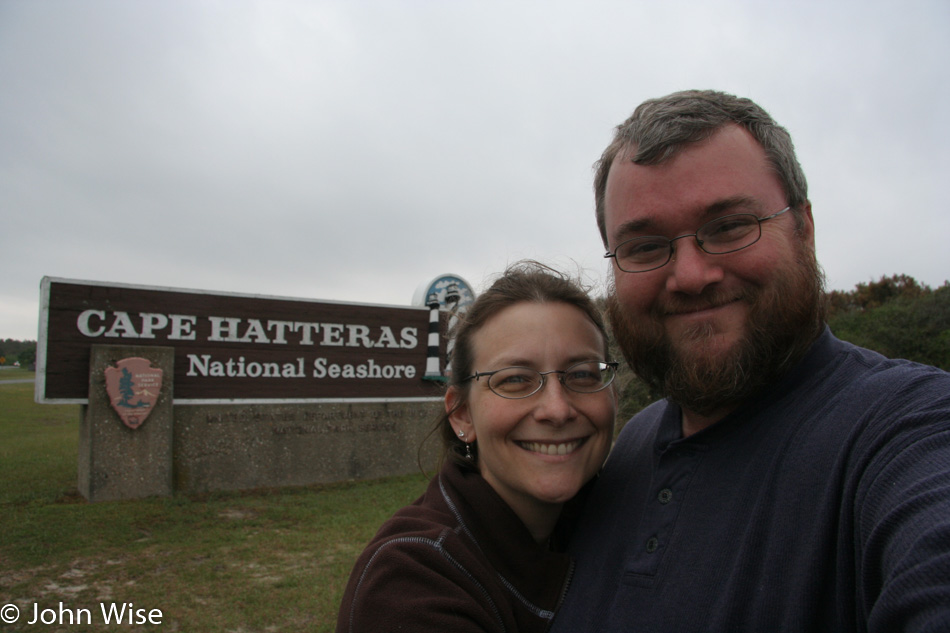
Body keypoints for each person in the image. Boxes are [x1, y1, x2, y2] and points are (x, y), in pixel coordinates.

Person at [551, 90, 950, 632]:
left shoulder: (906, 429)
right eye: (644, 246)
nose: (691, 275)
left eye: (730, 226)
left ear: (804, 230)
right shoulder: (632, 447)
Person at [336, 262, 618, 633]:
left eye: (582, 374)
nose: (557, 409)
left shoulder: (619, 518)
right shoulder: (408, 584)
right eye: (515, 379)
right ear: (462, 415)